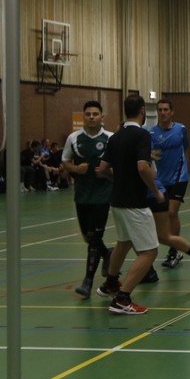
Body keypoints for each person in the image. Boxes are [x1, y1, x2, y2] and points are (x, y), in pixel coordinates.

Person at [92, 93, 159, 316]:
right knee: (149, 251)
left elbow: (102, 169)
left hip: (117, 201)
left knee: (124, 243)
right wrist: (156, 190)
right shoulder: (142, 135)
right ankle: (122, 298)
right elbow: (142, 167)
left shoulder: (115, 137)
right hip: (135, 203)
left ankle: (110, 283)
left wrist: (119, 178)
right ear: (142, 111)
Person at [61, 101, 114, 298]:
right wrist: (76, 169)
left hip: (102, 195)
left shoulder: (111, 138)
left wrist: (107, 172)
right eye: (88, 114)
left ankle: (87, 282)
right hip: (82, 195)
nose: (91, 117)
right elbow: (65, 161)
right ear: (84, 116)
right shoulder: (73, 138)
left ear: (102, 117)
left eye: (95, 114)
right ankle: (107, 253)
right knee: (88, 237)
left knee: (94, 238)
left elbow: (119, 165)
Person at [150, 99, 190, 269]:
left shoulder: (181, 129)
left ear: (172, 111)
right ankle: (176, 247)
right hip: (161, 179)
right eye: (160, 110)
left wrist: (182, 165)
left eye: (166, 109)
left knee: (172, 212)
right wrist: (153, 156)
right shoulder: (152, 133)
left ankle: (174, 251)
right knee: (165, 216)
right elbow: (151, 154)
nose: (163, 112)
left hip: (180, 177)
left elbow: (186, 148)